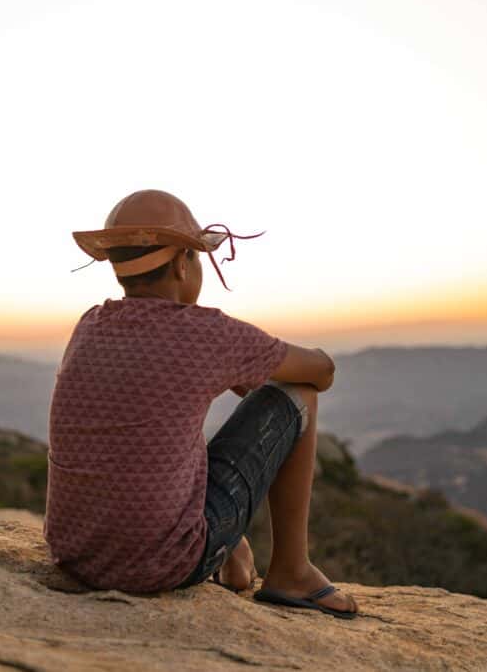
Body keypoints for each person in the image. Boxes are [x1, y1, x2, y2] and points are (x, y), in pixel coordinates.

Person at [43, 189, 358, 619]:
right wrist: (282, 367)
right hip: (160, 565)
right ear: (180, 263)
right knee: (296, 396)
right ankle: (292, 570)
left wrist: (237, 373)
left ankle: (233, 553)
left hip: (76, 557)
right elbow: (319, 373)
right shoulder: (207, 333)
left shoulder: (90, 325)